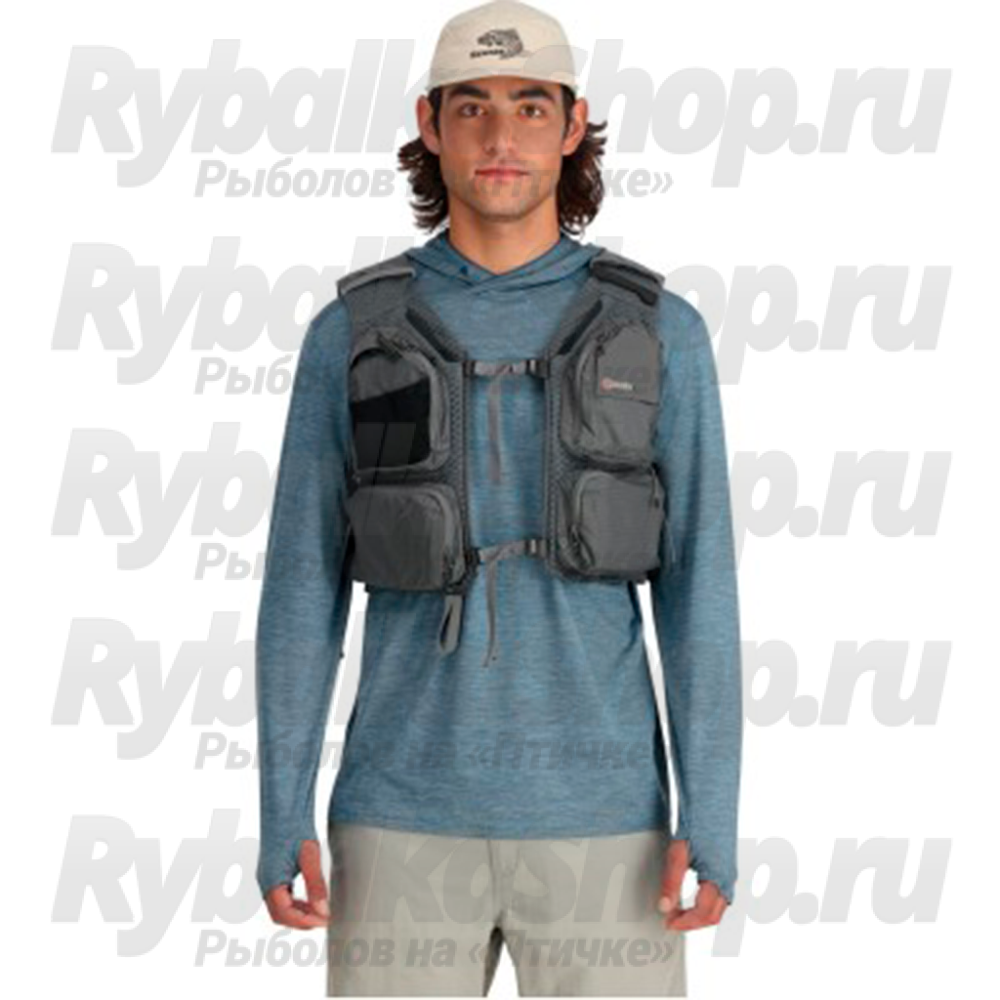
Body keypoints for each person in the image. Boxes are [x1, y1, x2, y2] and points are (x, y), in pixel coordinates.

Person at [254, 1, 743, 994]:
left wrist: (713, 815)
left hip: (608, 827)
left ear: (572, 126)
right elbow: (302, 590)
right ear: (430, 125)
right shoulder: (354, 334)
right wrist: (280, 811)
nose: (500, 136)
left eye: (529, 105)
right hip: (395, 821)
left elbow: (702, 593)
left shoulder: (662, 334)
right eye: (471, 106)